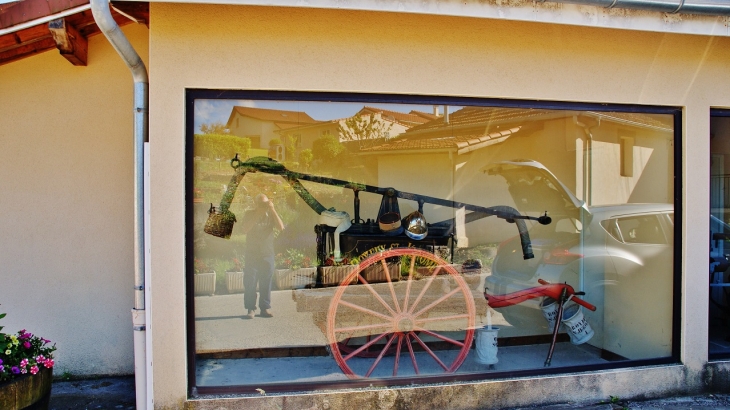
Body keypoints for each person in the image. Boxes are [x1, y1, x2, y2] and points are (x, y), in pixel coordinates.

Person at [240, 193, 284, 319]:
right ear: (255, 204)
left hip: (267, 253)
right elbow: (245, 229)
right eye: (260, 203)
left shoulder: (271, 213)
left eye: (265, 203)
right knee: (250, 282)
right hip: (252, 254)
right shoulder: (249, 213)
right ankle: (250, 309)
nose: (262, 206)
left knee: (266, 282)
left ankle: (264, 308)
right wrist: (257, 214)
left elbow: (281, 227)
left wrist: (272, 209)